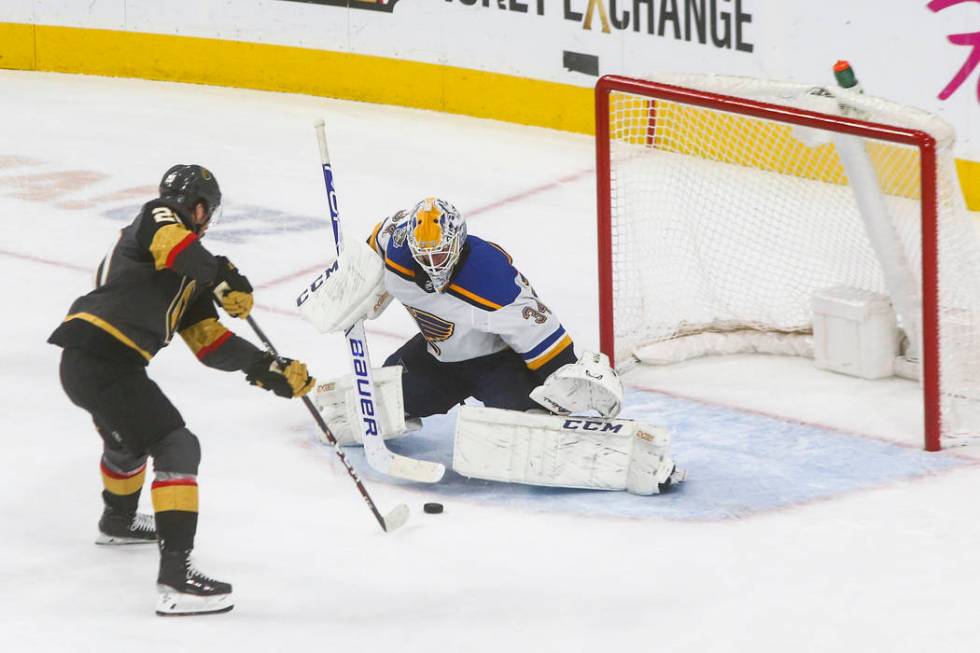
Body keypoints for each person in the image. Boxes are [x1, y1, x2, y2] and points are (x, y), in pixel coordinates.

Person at [48, 165, 315, 616]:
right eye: (206, 211)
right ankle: (177, 580)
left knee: (131, 440)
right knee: (176, 445)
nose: (206, 218)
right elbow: (176, 247)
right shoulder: (157, 217)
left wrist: (268, 369)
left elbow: (209, 343)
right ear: (197, 207)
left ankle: (117, 520)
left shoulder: (189, 272)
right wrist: (221, 276)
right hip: (100, 356)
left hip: (93, 363)